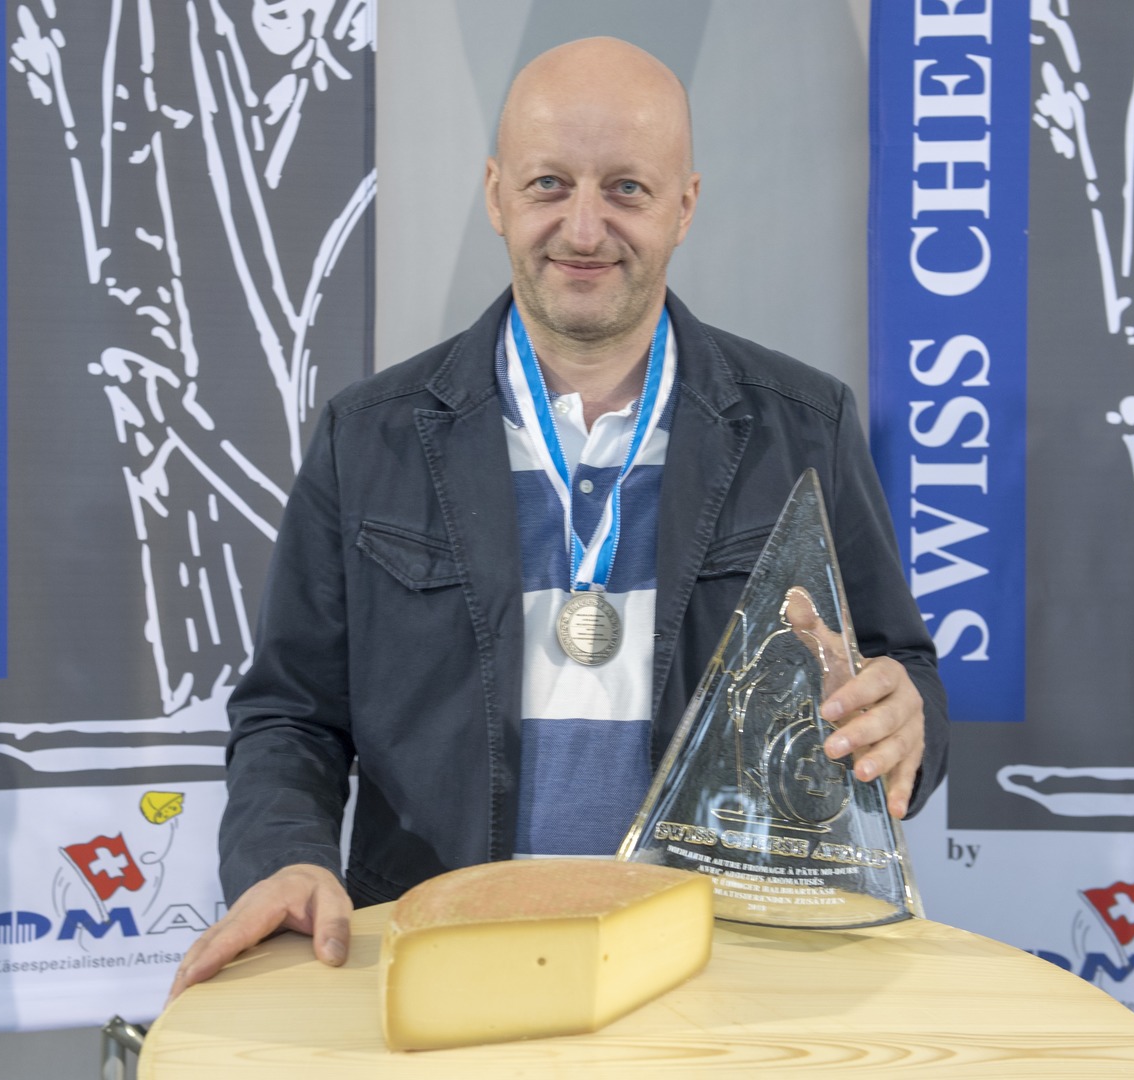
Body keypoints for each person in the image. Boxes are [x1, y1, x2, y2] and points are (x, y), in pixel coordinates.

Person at [168, 36, 947, 1000]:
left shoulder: (804, 427)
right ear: (496, 194)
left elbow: (898, 671)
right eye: (548, 184)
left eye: (627, 188)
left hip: (718, 968)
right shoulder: (367, 438)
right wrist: (284, 854)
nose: (583, 228)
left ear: (684, 206)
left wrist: (905, 721)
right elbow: (291, 714)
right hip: (437, 961)